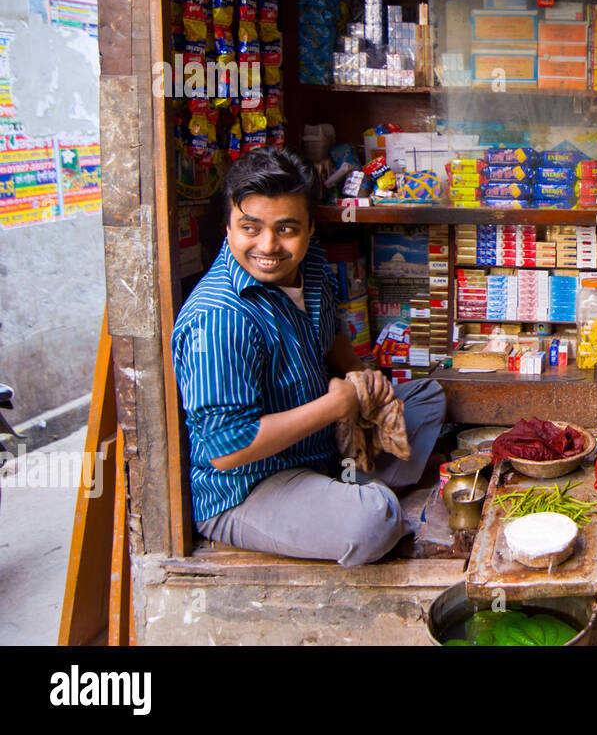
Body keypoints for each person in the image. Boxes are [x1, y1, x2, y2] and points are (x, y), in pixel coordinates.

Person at [171, 147, 445, 566]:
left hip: (322, 452)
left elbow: (329, 332)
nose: (269, 246)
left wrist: (364, 381)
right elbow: (227, 450)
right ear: (227, 227)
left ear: (310, 228)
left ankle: (341, 493)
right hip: (252, 487)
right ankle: (358, 501)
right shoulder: (219, 318)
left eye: (286, 229)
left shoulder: (310, 263)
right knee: (373, 523)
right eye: (251, 228)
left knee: (427, 396)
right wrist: (337, 405)